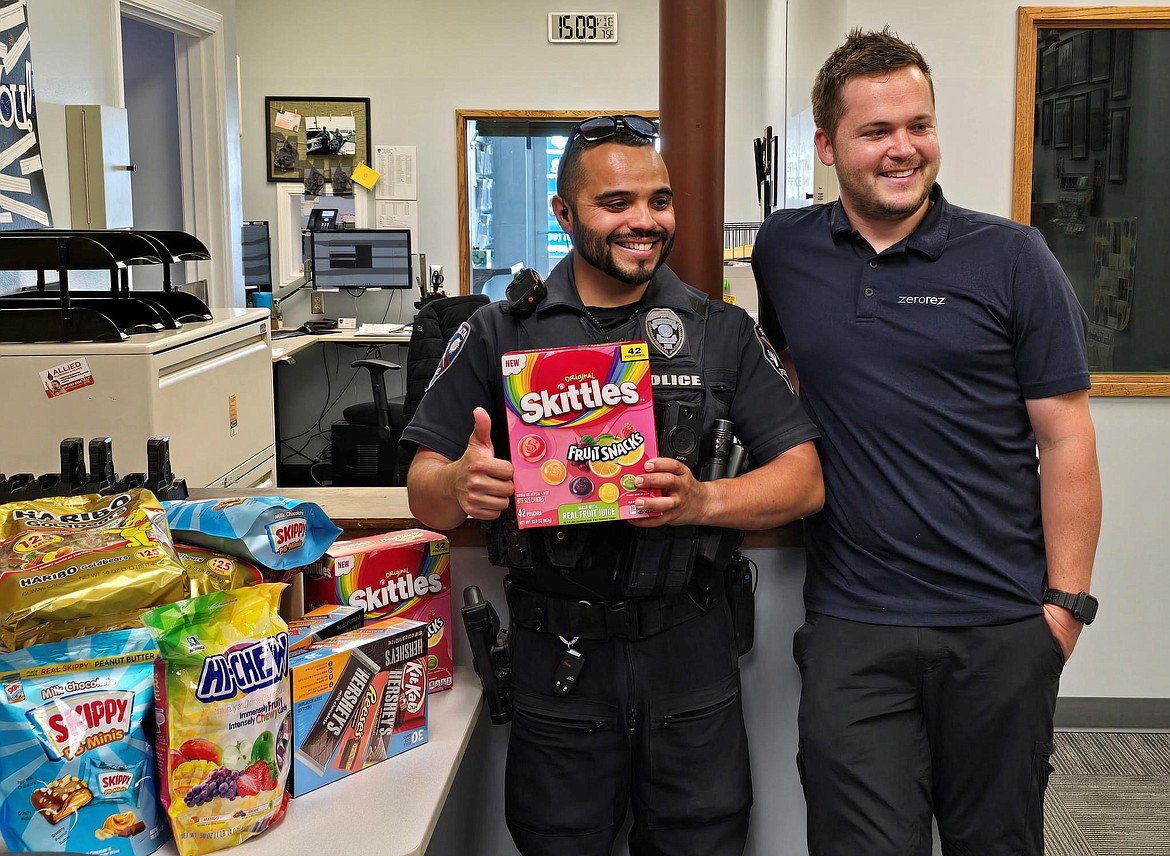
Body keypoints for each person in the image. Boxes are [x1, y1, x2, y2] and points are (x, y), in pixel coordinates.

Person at [403, 115, 823, 856]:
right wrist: (462, 482)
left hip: (690, 653)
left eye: (659, 202)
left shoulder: (718, 328)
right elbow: (423, 491)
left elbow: (804, 479)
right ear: (564, 214)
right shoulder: (502, 331)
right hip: (558, 657)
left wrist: (704, 501)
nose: (644, 222)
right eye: (616, 204)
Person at [752, 28, 1102, 856]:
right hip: (852, 623)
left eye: (919, 124)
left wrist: (1064, 611)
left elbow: (1067, 440)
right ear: (827, 147)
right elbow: (790, 381)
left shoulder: (1013, 258)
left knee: (996, 843)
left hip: (999, 624)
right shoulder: (785, 249)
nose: (903, 149)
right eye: (876, 131)